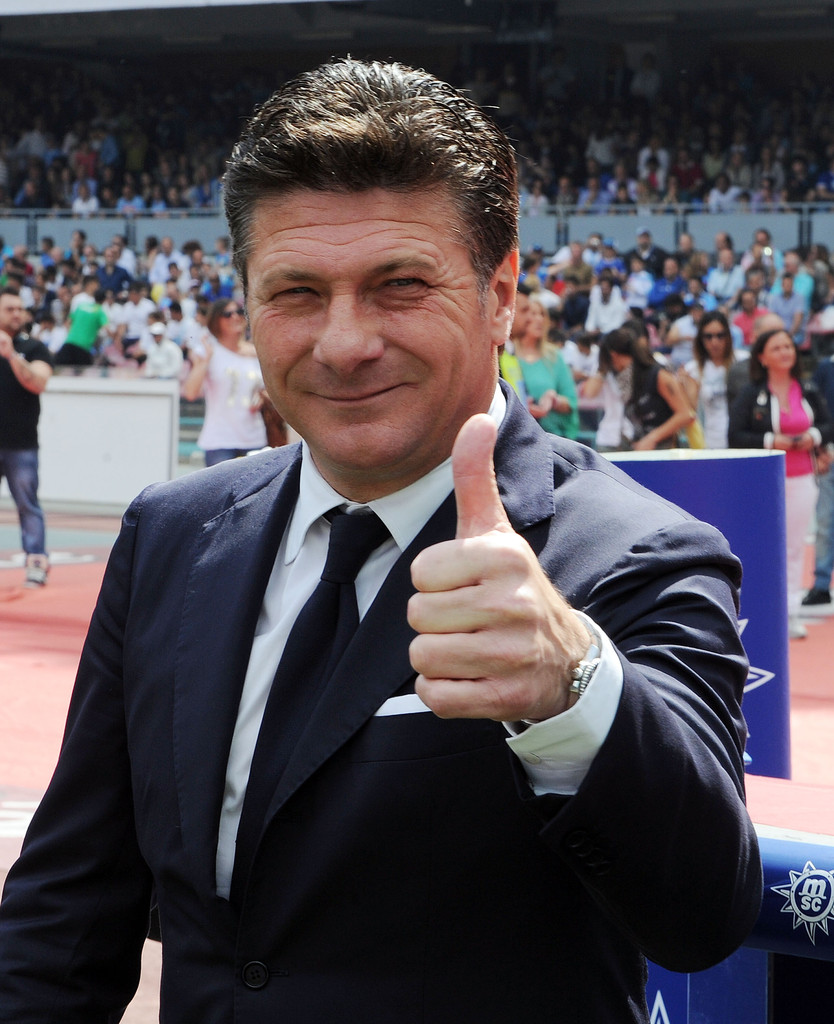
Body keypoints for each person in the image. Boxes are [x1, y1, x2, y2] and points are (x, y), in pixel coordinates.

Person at [0, 59, 761, 1023]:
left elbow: (704, 913)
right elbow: (66, 917)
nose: (344, 343)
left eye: (399, 286)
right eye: (296, 292)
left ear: (500, 291)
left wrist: (573, 686)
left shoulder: (635, 553)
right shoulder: (171, 536)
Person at [729, 328, 834, 639]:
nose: (785, 352)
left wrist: (812, 437)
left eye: (788, 346)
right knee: (764, 547)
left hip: (802, 478)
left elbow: (828, 424)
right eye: (777, 348)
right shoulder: (752, 393)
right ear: (762, 357)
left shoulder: (808, 388)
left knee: (795, 547)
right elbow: (736, 435)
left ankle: (790, 613)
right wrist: (772, 440)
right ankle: (759, 612)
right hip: (764, 482)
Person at [0, 287, 53, 587]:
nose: (17, 314)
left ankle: (36, 560)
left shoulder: (33, 348)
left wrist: (11, 355)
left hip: (21, 443)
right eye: (9, 309)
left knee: (27, 503)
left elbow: (38, 382)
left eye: (19, 309)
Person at [181, 297, 266, 465]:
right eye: (228, 314)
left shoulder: (257, 352)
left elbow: (268, 388)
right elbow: (190, 393)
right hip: (220, 440)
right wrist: (204, 361)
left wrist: (263, 396)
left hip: (255, 437)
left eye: (239, 312)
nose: (235, 317)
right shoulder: (208, 352)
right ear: (216, 321)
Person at [598, 322, 694, 450]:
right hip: (639, 447)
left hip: (665, 450)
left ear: (613, 355)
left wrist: (652, 438)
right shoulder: (626, 380)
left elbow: (685, 414)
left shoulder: (658, 374)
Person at [680, 311, 748, 449]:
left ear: (728, 336)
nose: (714, 342)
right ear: (701, 339)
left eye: (720, 335)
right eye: (708, 336)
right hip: (709, 441)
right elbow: (690, 412)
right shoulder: (692, 369)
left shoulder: (744, 361)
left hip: (741, 439)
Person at [515, 297, 579, 439]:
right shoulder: (507, 355)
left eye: (542, 314)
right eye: (533, 313)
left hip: (551, 437)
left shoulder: (554, 356)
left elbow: (571, 402)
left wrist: (553, 399)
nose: (539, 319)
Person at [802, 350, 834, 610]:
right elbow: (816, 413)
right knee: (824, 522)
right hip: (829, 455)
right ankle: (822, 584)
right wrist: (822, 449)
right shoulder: (825, 368)